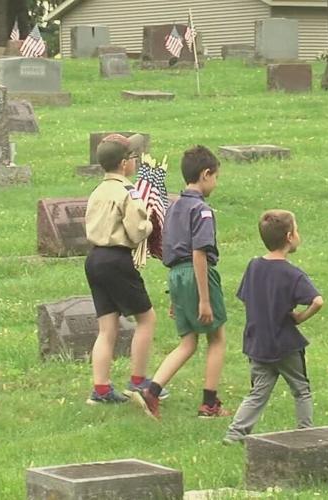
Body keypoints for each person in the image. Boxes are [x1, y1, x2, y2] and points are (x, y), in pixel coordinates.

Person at [132, 145, 229, 419]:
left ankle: (152, 391)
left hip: (175, 275)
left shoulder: (173, 206)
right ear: (206, 174)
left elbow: (170, 251)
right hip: (197, 274)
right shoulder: (202, 211)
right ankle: (210, 403)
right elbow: (199, 253)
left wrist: (177, 297)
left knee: (188, 342)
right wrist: (205, 300)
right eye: (216, 177)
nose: (216, 183)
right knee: (217, 337)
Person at [222, 210, 324, 444]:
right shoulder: (293, 274)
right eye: (297, 230)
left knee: (258, 392)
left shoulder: (253, 267)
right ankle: (305, 433)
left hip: (258, 342)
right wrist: (299, 317)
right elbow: (317, 301)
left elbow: (247, 297)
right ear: (289, 237)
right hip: (286, 344)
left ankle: (235, 434)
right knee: (301, 389)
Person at [84, 134, 165, 404]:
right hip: (116, 260)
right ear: (124, 164)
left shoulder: (97, 191)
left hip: (94, 259)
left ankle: (101, 389)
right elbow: (137, 230)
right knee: (147, 318)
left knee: (107, 328)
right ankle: (139, 381)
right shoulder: (127, 192)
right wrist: (152, 222)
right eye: (133, 158)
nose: (135, 162)